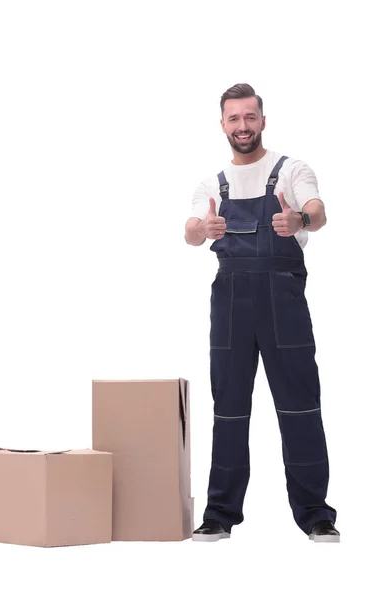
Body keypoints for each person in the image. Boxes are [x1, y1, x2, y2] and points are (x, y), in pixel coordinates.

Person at [185, 83, 339, 543]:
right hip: (230, 308)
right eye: (234, 119)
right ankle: (219, 513)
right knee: (229, 410)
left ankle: (316, 514)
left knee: (301, 408)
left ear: (263, 120)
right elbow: (191, 230)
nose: (243, 126)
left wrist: (300, 221)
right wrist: (201, 228)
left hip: (283, 307)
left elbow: (318, 209)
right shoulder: (212, 184)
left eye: (250, 117)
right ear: (223, 125)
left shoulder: (291, 170)